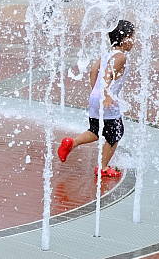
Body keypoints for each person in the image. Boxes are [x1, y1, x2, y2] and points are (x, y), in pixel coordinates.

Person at [57, 20, 136, 178]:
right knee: (115, 133)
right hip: (106, 99)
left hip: (95, 97)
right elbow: (108, 74)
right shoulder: (121, 57)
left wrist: (96, 91)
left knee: (95, 130)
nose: (134, 41)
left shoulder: (107, 53)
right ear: (124, 38)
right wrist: (105, 95)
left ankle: (72, 143)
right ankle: (103, 167)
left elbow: (94, 70)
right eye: (132, 37)